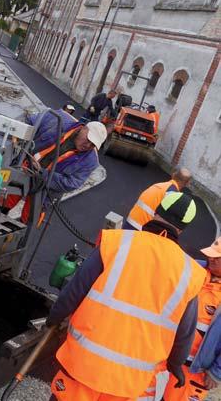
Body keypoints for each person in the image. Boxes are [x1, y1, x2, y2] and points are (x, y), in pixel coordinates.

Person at [47, 192, 205, 401]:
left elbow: (74, 290)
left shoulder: (117, 242)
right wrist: (176, 364)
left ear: (156, 210)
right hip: (129, 382)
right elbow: (185, 332)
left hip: (84, 366)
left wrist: (54, 319)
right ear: (183, 228)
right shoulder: (190, 272)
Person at [4, 111, 106, 223]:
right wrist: (18, 143)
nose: (88, 145)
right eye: (88, 140)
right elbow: (30, 122)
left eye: (93, 145)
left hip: (45, 190)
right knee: (3, 201)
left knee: (28, 222)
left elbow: (71, 183)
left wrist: (42, 173)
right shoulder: (58, 121)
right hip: (24, 170)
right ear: (83, 128)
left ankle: (19, 238)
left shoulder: (90, 161)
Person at [163, 237, 221, 401]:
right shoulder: (193, 270)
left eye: (217, 258)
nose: (211, 259)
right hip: (163, 352)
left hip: (195, 370)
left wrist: (217, 373)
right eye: (211, 255)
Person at [125, 168, 192, 230]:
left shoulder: (159, 185)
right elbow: (165, 221)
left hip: (130, 222)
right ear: (188, 183)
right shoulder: (172, 195)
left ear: (173, 175)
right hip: (141, 229)